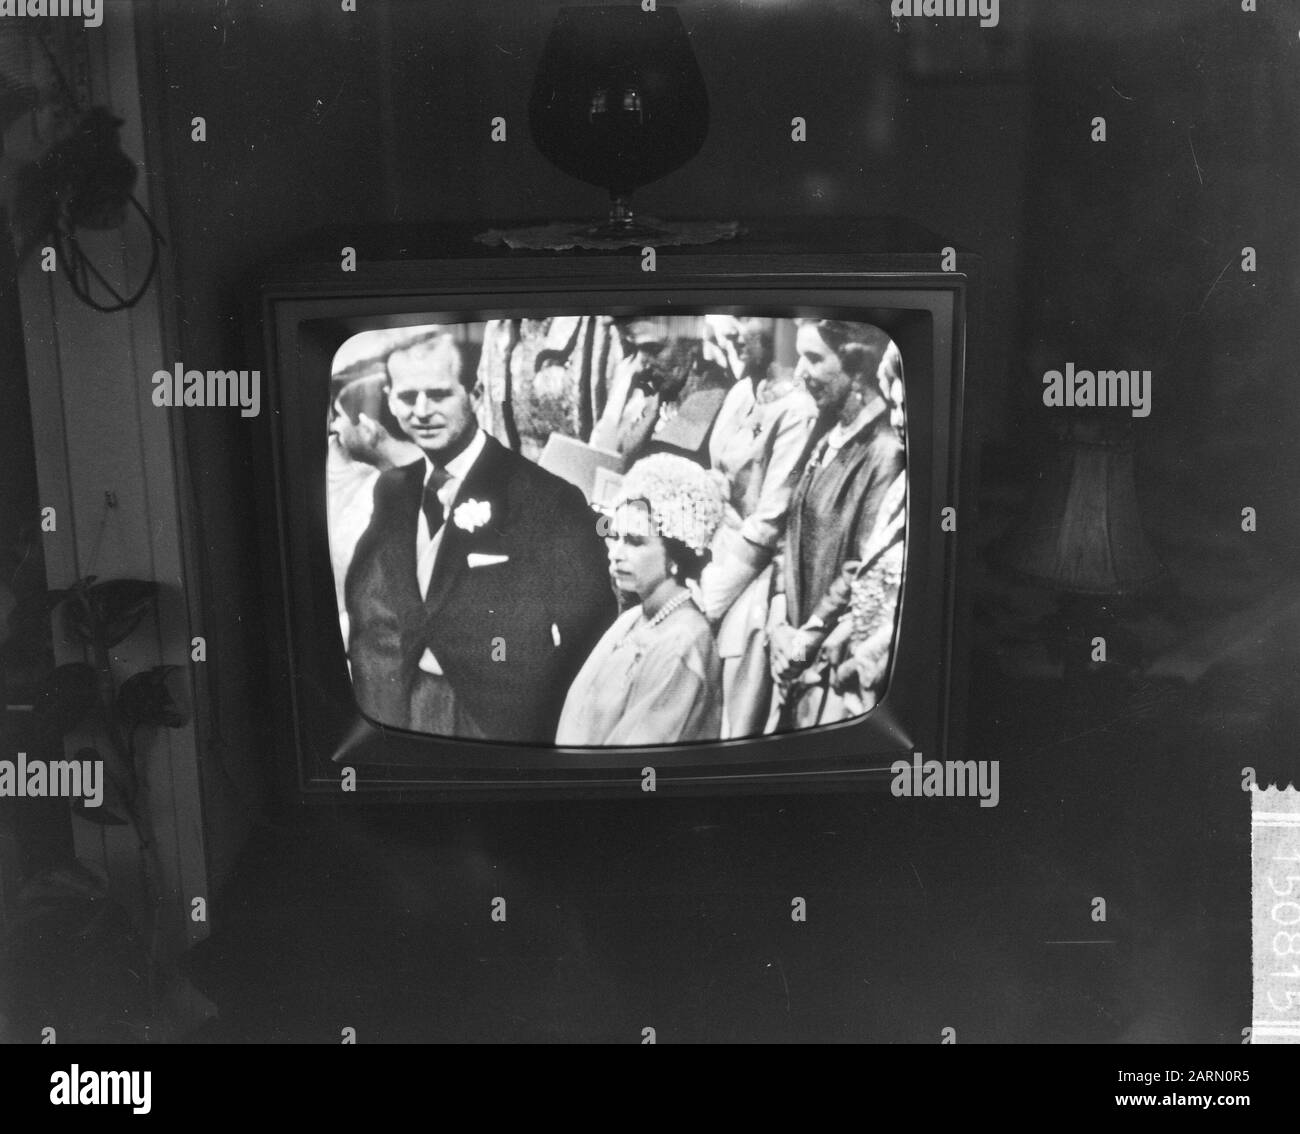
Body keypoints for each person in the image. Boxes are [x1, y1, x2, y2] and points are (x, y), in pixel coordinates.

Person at [344, 333, 617, 742]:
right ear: (389, 397)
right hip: (401, 712)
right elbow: (369, 613)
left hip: (494, 726)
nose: (421, 412)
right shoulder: (394, 491)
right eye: (407, 397)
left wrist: (532, 728)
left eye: (438, 395)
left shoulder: (545, 498)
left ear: (473, 391)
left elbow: (590, 634)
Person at [767, 320, 906, 730]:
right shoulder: (826, 435)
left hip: (829, 659)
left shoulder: (885, 451)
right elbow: (786, 537)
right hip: (790, 644)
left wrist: (801, 644)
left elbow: (859, 567)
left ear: (857, 365)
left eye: (813, 358)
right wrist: (777, 624)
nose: (799, 373)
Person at [698, 318, 817, 737]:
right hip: (711, 549)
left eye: (744, 318)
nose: (727, 330)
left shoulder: (799, 409)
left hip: (753, 572)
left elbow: (769, 524)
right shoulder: (740, 390)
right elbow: (716, 474)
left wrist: (708, 599)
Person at [556, 454, 725, 746]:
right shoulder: (633, 618)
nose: (616, 553)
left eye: (635, 541)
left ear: (676, 553)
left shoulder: (683, 642)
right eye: (617, 537)